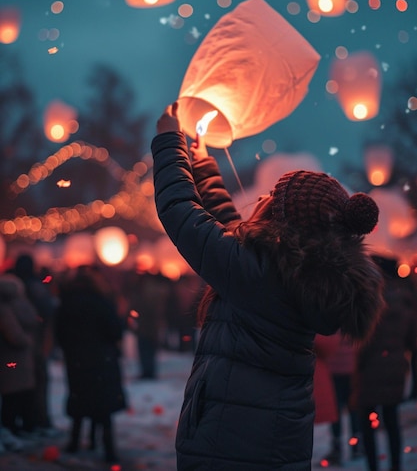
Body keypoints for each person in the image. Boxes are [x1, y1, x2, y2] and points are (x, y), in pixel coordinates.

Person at [151, 102, 386, 471]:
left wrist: (168, 141)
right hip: (273, 441)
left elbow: (180, 211)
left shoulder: (255, 275)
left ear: (281, 219)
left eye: (272, 197)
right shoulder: (293, 275)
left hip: (230, 444)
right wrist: (202, 161)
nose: (261, 197)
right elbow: (229, 225)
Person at [55, 264, 127, 463]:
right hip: (100, 360)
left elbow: (59, 334)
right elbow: (115, 331)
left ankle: (74, 442)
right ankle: (109, 449)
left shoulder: (66, 302)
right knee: (102, 404)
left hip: (76, 360)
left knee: (79, 398)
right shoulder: (101, 301)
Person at [352, 253, 417, 471]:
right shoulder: (406, 299)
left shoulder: (372, 299)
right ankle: (396, 464)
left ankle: (373, 465)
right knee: (391, 419)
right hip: (395, 365)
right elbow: (412, 339)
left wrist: (357, 365)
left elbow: (362, 338)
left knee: (368, 421)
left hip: (370, 367)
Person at [10, 252, 58, 436]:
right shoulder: (34, 287)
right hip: (34, 342)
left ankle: (23, 420)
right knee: (37, 382)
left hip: (16, 346)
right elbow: (46, 310)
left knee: (21, 385)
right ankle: (36, 420)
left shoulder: (14, 286)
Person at [0, 273, 38, 440]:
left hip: (10, 358)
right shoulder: (13, 306)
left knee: (12, 396)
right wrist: (28, 341)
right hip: (15, 357)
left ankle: (14, 427)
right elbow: (14, 335)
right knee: (15, 397)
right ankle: (14, 428)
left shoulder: (6, 306)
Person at [321, 330, 363, 465]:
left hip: (334, 369)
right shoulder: (353, 320)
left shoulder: (330, 318)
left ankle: (337, 447)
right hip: (351, 368)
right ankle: (356, 446)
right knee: (353, 410)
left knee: (336, 410)